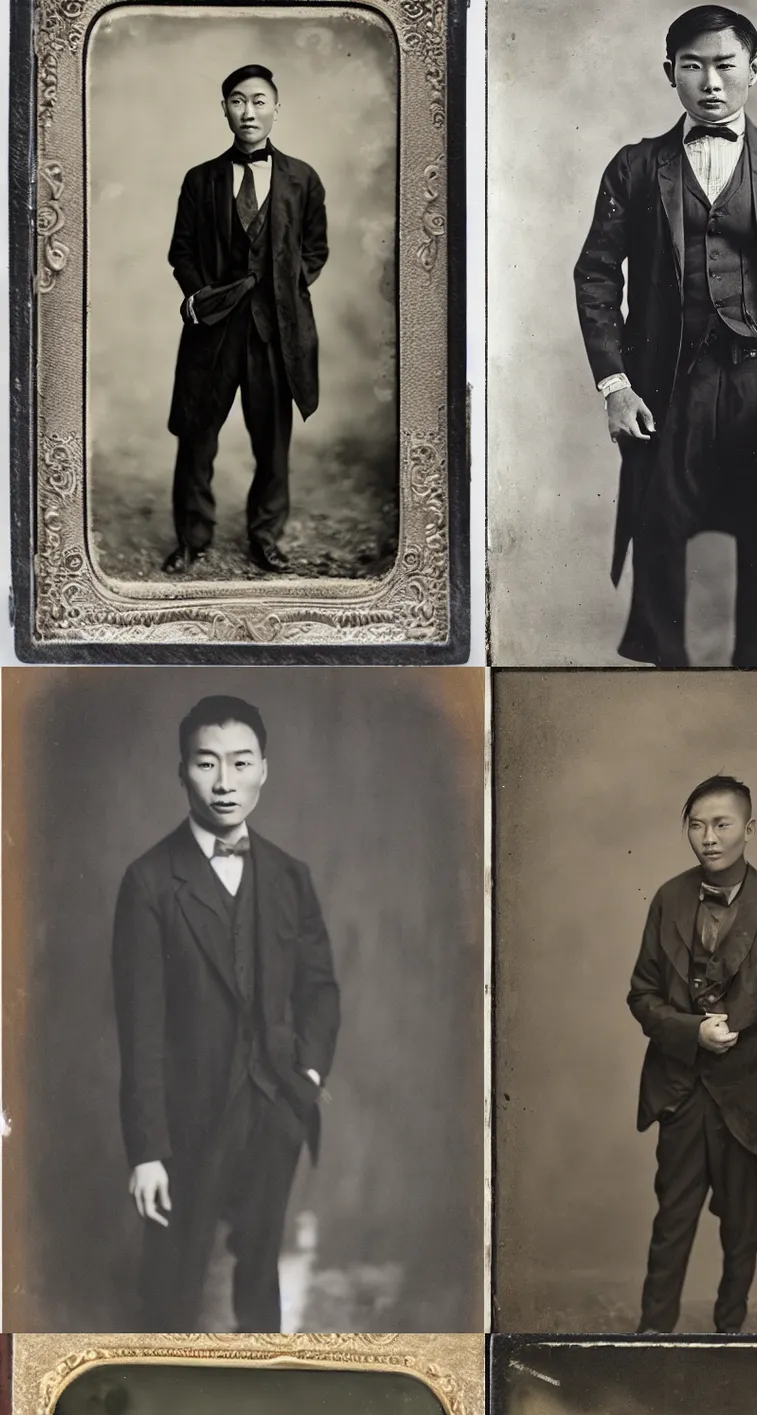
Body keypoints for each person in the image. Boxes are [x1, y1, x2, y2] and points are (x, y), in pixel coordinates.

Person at [574, 6, 757, 668]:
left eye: (725, 66)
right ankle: (666, 671)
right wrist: (615, 385)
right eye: (692, 67)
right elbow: (596, 278)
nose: (710, 82)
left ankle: (755, 672)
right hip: (672, 380)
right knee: (659, 527)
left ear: (754, 71)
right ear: (670, 74)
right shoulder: (635, 167)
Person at [111, 694, 340, 1333]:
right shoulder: (150, 881)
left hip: (275, 1107)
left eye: (240, 763)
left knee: (260, 1271)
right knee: (174, 1282)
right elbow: (141, 1030)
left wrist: (309, 1079)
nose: (224, 783)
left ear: (265, 769)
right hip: (188, 1119)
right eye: (206, 763)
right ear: (181, 770)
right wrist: (147, 1150)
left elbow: (320, 988)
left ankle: (260, 1394)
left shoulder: (290, 876)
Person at [628, 775, 757, 1334]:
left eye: (722, 824)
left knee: (741, 1233)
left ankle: (729, 1337)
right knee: (671, 1227)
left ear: (748, 830)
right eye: (697, 825)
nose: (709, 837)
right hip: (681, 1095)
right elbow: (641, 996)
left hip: (747, 1102)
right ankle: (649, 1340)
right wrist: (690, 1031)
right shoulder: (667, 898)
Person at [163, 64, 328, 574]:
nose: (248, 111)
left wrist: (280, 286)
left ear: (277, 109)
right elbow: (181, 252)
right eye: (237, 101)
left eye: (259, 101)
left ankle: (266, 536)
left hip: (275, 334)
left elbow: (316, 250)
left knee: (272, 442)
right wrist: (202, 296)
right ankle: (192, 538)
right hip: (213, 333)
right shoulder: (200, 179)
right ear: (225, 110)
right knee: (197, 435)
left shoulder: (302, 178)